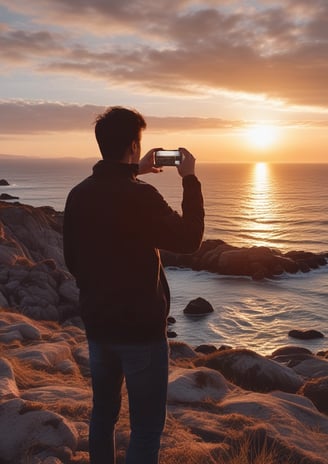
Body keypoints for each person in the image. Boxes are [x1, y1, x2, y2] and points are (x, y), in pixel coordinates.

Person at [63, 106, 204, 464]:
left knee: (103, 415)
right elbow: (190, 240)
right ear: (132, 146)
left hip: (98, 326)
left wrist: (133, 172)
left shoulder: (78, 195)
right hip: (141, 334)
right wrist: (189, 179)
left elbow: (72, 260)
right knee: (144, 429)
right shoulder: (141, 197)